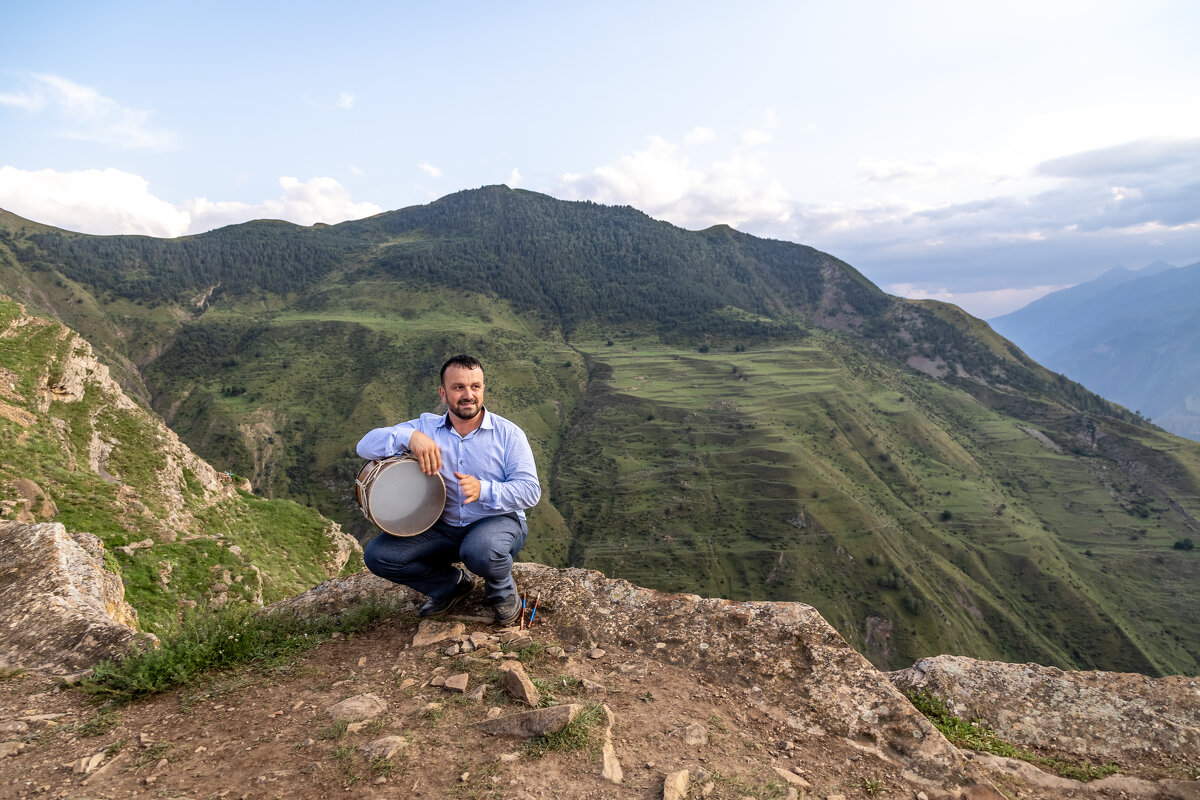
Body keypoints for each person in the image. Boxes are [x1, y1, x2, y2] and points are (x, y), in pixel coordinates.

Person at [356, 355, 540, 625]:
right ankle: (451, 585)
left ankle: (501, 591)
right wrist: (410, 437)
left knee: (482, 550)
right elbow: (365, 445)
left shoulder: (509, 435)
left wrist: (484, 490)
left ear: (483, 389)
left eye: (475, 386)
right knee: (379, 556)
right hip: (441, 527)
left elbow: (530, 492)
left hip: (495, 521)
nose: (468, 395)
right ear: (443, 393)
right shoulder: (425, 428)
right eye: (458, 388)